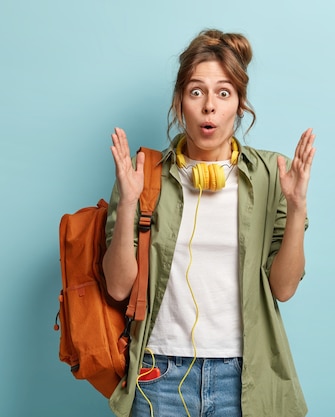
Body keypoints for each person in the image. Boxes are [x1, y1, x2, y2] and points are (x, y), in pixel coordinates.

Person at [101, 28, 315, 417]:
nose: (209, 107)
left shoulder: (272, 174)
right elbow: (117, 288)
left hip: (243, 376)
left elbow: (283, 289)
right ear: (180, 102)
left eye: (223, 92)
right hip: (158, 373)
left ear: (239, 103)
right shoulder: (144, 174)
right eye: (196, 91)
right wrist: (129, 202)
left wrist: (297, 206)